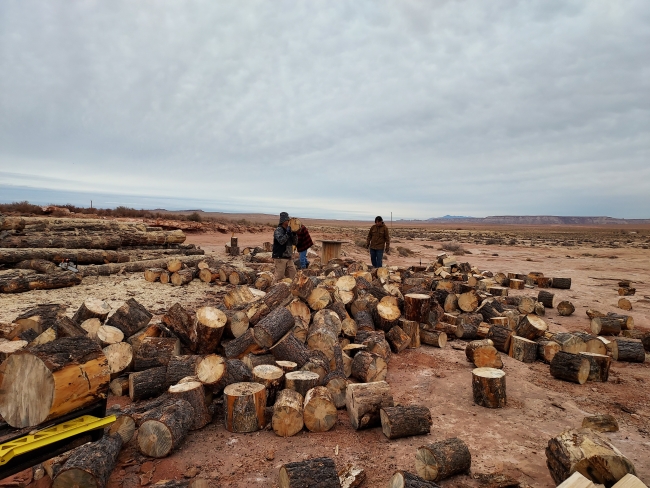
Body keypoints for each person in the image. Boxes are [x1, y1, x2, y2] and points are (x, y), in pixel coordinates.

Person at [273, 212, 298, 281]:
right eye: (287, 220)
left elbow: (295, 242)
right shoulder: (278, 230)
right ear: (283, 221)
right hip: (280, 257)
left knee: (293, 276)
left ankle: (291, 287)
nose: (289, 222)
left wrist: (294, 234)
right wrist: (287, 234)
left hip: (289, 257)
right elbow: (281, 241)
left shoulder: (289, 230)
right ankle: (273, 287)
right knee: (279, 277)